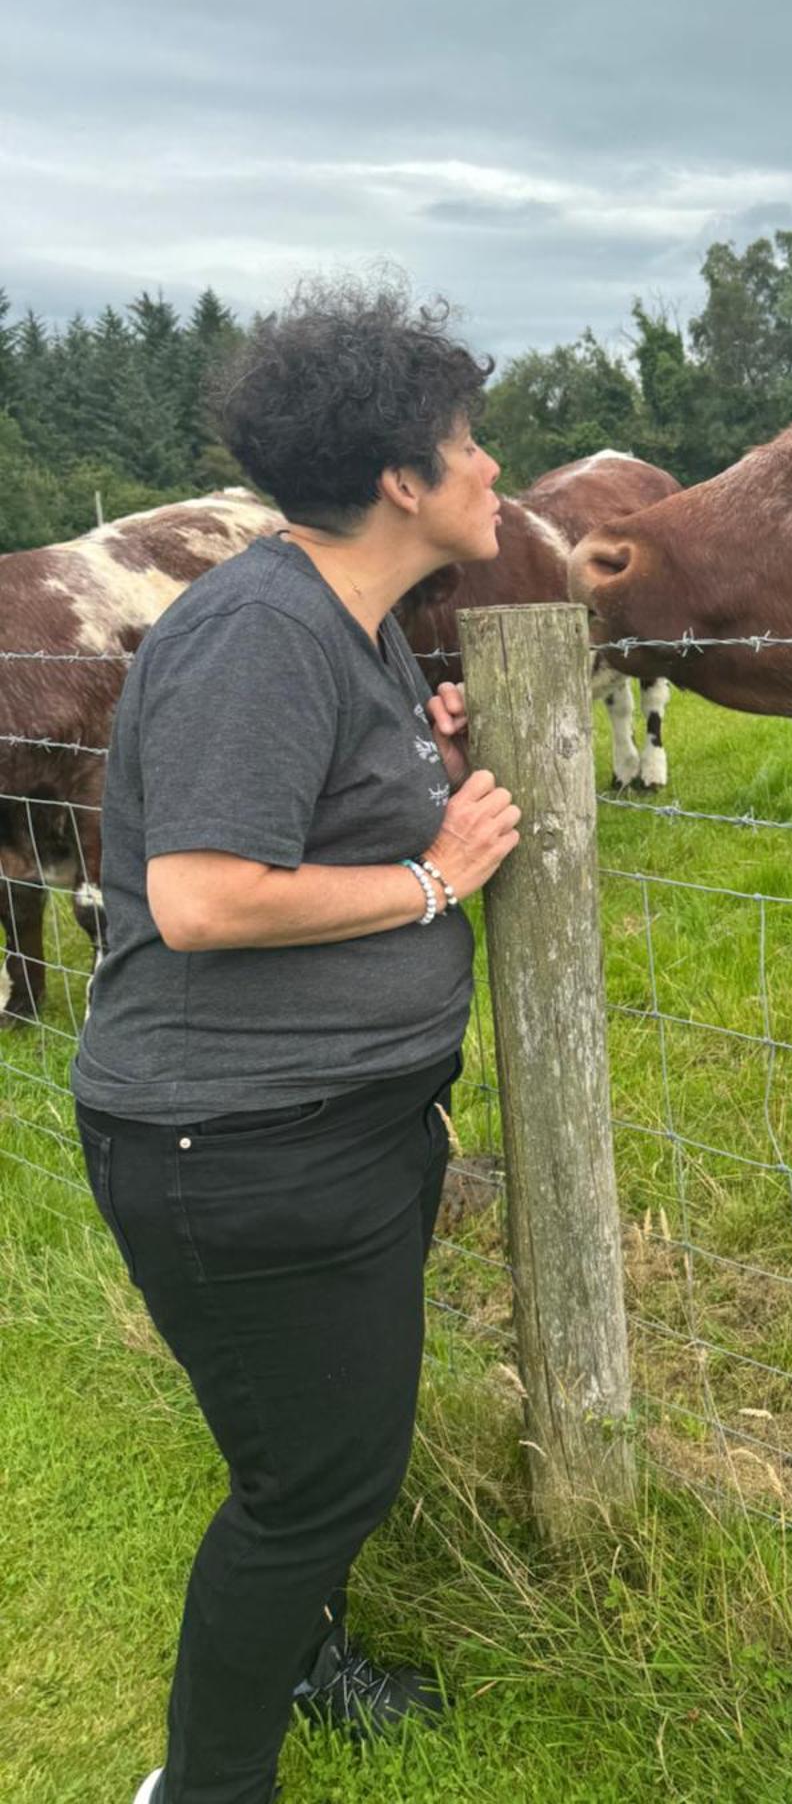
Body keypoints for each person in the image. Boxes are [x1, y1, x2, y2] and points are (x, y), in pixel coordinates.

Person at [70, 281, 523, 1804]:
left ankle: (312, 1666)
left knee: (324, 1458)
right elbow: (200, 897)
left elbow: (301, 799)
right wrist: (430, 876)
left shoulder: (353, 626)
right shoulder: (259, 631)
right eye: (471, 443)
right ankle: (204, 1789)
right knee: (312, 1486)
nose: (493, 469)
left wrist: (424, 764)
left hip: (328, 1130)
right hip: (238, 1144)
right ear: (403, 478)